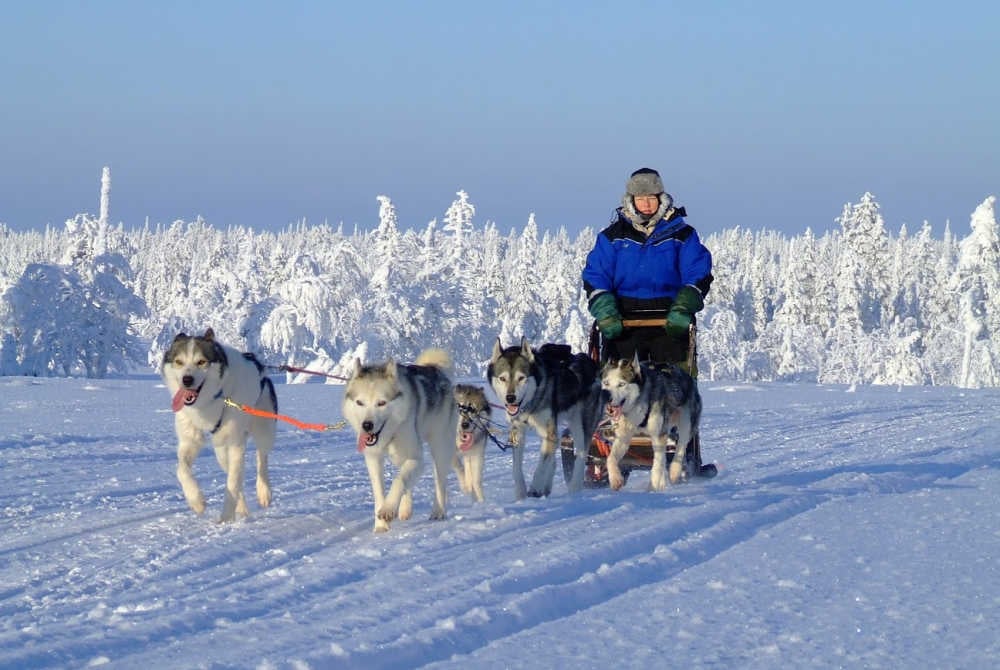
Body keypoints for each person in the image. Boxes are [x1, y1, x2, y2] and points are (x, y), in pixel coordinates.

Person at [582, 167, 713, 371]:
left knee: (673, 383)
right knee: (619, 386)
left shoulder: (682, 234)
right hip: (621, 319)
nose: (646, 204)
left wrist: (684, 306)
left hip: (671, 319)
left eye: (651, 198)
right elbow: (596, 274)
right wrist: (605, 310)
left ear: (661, 198)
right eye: (641, 198)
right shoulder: (612, 237)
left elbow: (698, 270)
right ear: (631, 200)